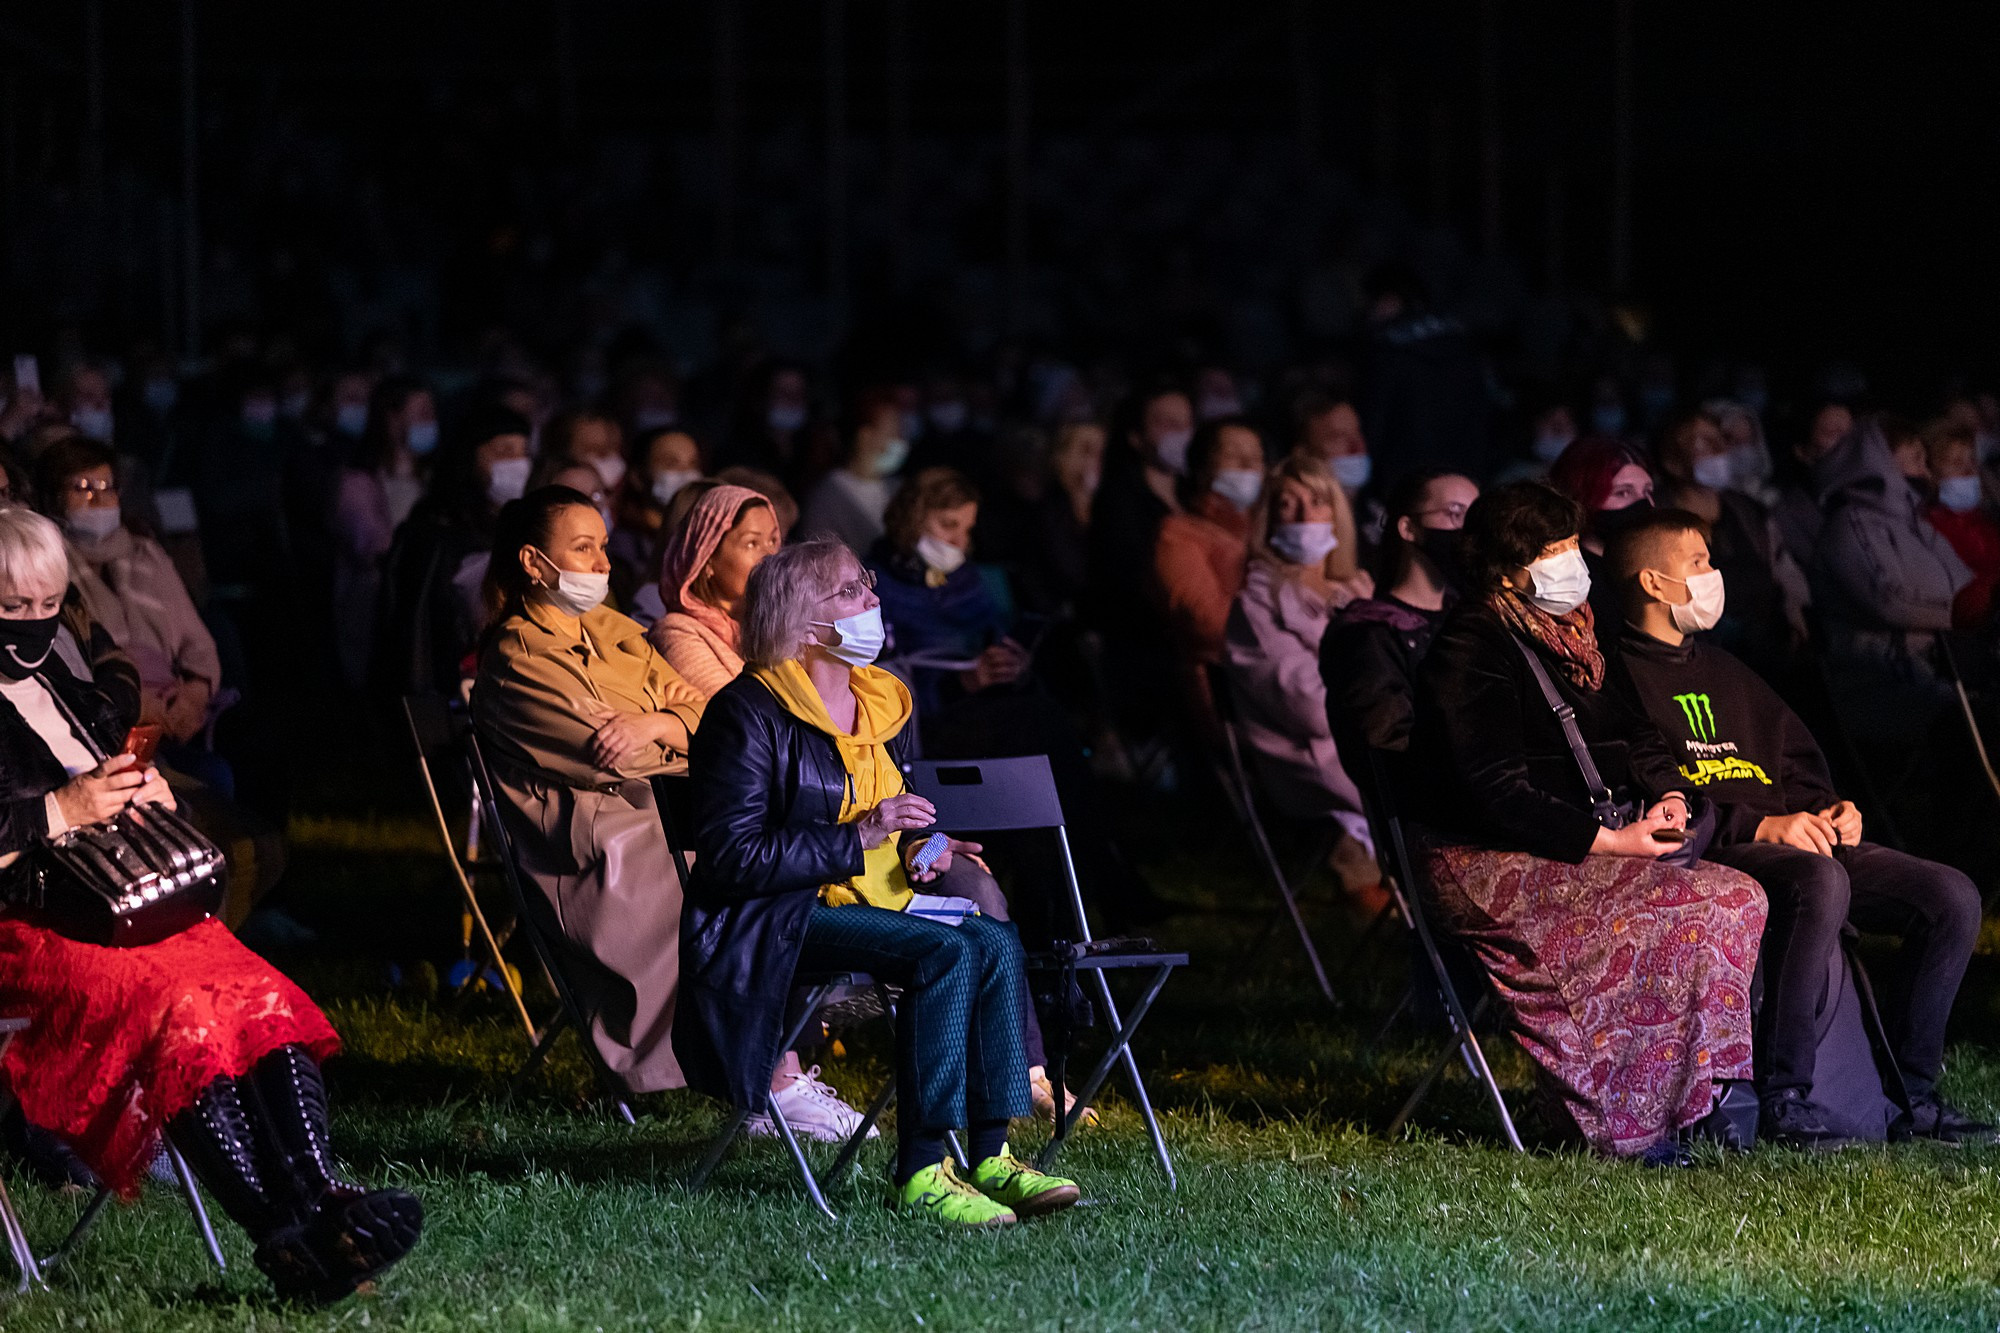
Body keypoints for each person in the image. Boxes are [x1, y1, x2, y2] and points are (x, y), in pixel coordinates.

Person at [0, 507, 420, 1302]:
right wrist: (64, 808)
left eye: (45, 605)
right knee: (179, 1014)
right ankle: (282, 1232)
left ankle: (324, 1201)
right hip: (25, 924)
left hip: (113, 899)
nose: (31, 624)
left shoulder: (53, 672)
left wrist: (134, 787)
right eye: (11, 607)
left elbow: (98, 766)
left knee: (256, 991)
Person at [681, 539, 1082, 1227]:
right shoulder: (747, 713)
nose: (872, 601)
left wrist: (923, 842)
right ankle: (922, 1171)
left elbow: (888, 820)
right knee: (947, 950)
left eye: (868, 585)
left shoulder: (877, 707)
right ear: (806, 625)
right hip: (774, 918)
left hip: (871, 898)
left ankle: (990, 1155)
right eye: (849, 591)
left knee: (994, 939)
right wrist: (857, 837)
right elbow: (728, 856)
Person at [1407, 482, 1767, 1162]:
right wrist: (1609, 841)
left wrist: (1670, 798)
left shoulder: (1576, 634)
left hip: (1580, 839)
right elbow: (1492, 790)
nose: (1573, 562)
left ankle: (1705, 1097)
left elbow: (1640, 738)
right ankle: (1623, 1117)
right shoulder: (1472, 647)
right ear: (1509, 569)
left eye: (1573, 546)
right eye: (1555, 551)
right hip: (1484, 856)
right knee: (1680, 907)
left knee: (1738, 897)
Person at [1608, 508, 1989, 1146]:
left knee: (1950, 895)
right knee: (1817, 881)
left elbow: (1795, 763)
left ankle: (1909, 1096)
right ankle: (1787, 1097)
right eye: (1697, 562)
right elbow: (1649, 801)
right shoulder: (1618, 681)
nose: (1713, 574)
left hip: (1792, 834)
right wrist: (1761, 826)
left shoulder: (1728, 672)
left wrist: (1831, 808)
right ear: (1653, 582)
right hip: (1715, 849)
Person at [1221, 451, 1379, 901]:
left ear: (1336, 511)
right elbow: (1310, 708)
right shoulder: (1256, 604)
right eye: (1290, 504)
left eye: (1317, 501)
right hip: (1318, 759)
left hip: (1375, 737)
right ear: (1269, 518)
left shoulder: (1357, 588)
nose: (1306, 516)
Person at [32, 436, 221, 751]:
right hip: (106, 714)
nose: (99, 499)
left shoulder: (144, 552)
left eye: (108, 488)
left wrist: (193, 695)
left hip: (175, 701)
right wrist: (137, 702)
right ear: (54, 499)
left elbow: (196, 641)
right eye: (82, 488)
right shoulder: (48, 563)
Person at [1810, 416, 1970, 743]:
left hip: (1944, 667)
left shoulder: (1914, 524)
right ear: (1878, 462)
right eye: (1915, 461)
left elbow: (1963, 582)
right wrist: (1966, 611)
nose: (1925, 473)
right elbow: (1891, 599)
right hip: (1887, 680)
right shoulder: (1850, 528)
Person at [1319, 469, 1479, 768]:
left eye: (1476, 517)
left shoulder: (1470, 613)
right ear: (1408, 528)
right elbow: (1390, 747)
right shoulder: (1370, 632)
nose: (1469, 531)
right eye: (1455, 514)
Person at [373, 404, 532, 696]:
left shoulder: (525, 525)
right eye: (503, 451)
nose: (518, 463)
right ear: (469, 456)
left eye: (524, 452)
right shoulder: (436, 533)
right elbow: (417, 639)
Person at [1651, 408, 1808, 679]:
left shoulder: (1747, 510)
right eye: (1702, 443)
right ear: (1671, 460)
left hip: (1768, 652)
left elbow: (1779, 568)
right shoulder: (1656, 519)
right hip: (1706, 662)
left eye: (1720, 440)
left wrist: (1794, 616)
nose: (1719, 449)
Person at [1154, 417, 1272, 724]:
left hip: (1282, 674)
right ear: (1203, 468)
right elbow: (1206, 620)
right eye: (1233, 455)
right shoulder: (1179, 534)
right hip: (1228, 685)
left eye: (1256, 457)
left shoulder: (1270, 527)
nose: (1248, 464)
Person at [331, 376, 438, 690]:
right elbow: (372, 546)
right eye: (420, 415)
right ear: (391, 419)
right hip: (375, 615)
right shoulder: (357, 483)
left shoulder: (432, 479)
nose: (430, 423)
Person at [646, 483, 781, 698]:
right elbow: (736, 715)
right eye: (752, 543)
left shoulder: (773, 629)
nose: (770, 556)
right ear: (707, 559)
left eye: (773, 541)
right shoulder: (678, 633)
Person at [1548, 434, 1656, 627]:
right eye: (1623, 492)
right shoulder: (1571, 583)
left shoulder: (1659, 566)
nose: (1642, 504)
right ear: (1583, 498)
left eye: (1647, 491)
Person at [797, 388, 909, 554]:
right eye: (894, 432)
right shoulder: (827, 497)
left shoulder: (902, 489)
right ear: (865, 436)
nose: (901, 440)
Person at [608, 426, 705, 605]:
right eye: (671, 464)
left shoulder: (704, 538)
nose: (686, 474)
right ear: (637, 477)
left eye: (693, 464)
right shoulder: (623, 551)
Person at [1921, 418, 2000, 627]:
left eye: (1972, 461)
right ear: (1931, 474)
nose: (1969, 471)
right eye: (1957, 464)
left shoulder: (1984, 521)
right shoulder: (1929, 529)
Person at [1772, 399, 1855, 569]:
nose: (1848, 443)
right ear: (1802, 451)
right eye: (1833, 433)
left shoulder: (1876, 494)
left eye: (1852, 433)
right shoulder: (1787, 516)